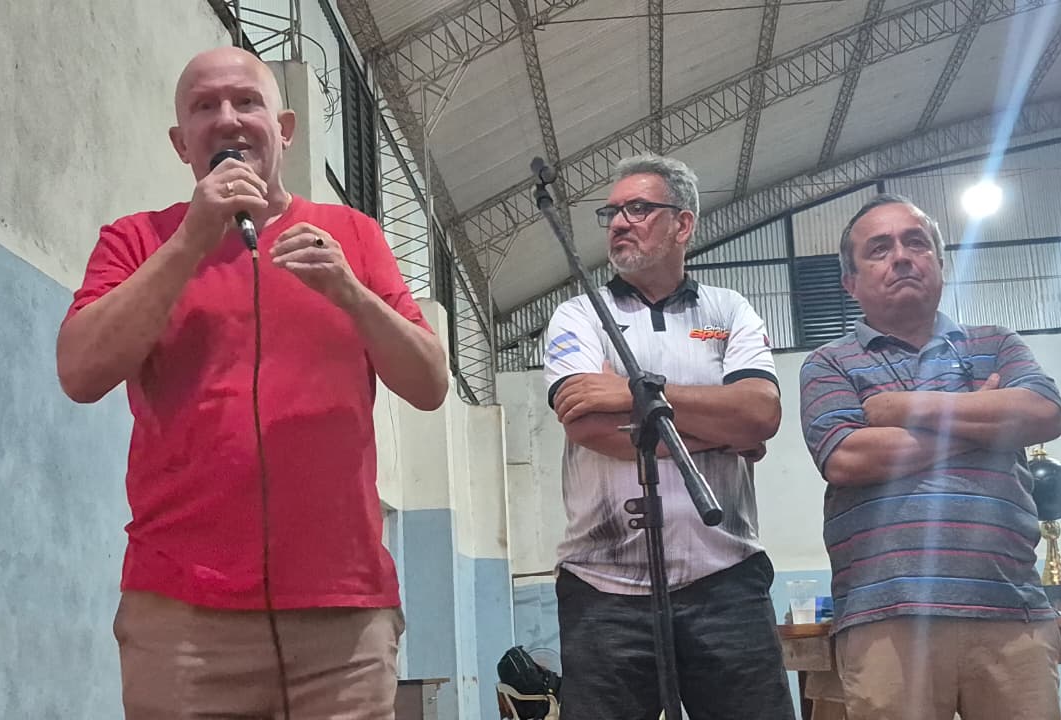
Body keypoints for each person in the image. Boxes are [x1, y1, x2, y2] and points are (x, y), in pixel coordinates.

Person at [55, 46, 448, 719]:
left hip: (342, 621)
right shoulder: (137, 240)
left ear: (285, 128)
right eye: (204, 106)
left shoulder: (352, 237)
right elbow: (80, 372)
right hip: (184, 620)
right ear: (182, 142)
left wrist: (350, 292)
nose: (228, 118)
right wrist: (190, 241)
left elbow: (430, 383)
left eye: (246, 101)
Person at [541, 153, 796, 720]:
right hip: (602, 585)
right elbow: (587, 423)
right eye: (612, 212)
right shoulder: (579, 315)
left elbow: (759, 413)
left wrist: (632, 394)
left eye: (637, 208)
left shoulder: (727, 311)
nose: (618, 222)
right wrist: (719, 433)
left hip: (726, 578)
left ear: (683, 224)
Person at [798, 193, 1061, 720]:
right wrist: (983, 421)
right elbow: (847, 458)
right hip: (886, 617)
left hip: (1011, 611)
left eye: (915, 243)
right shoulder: (830, 363)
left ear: (940, 263)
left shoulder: (996, 343)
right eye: (879, 249)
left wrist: (903, 408)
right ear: (850, 282)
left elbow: (1043, 413)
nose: (901, 256)